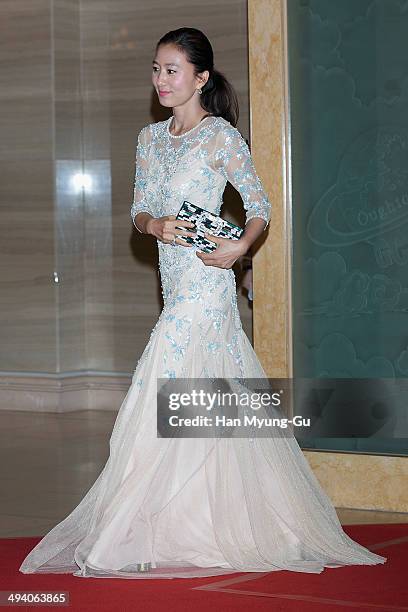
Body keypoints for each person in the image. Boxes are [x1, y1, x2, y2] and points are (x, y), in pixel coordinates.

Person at [19, 27, 386, 579]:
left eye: (172, 69)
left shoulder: (220, 138)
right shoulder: (149, 139)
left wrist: (240, 246)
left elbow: (259, 204)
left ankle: (165, 525)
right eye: (156, 69)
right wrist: (156, 225)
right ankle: (182, 522)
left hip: (208, 285)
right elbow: (137, 212)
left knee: (170, 385)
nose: (161, 79)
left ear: (201, 77)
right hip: (174, 280)